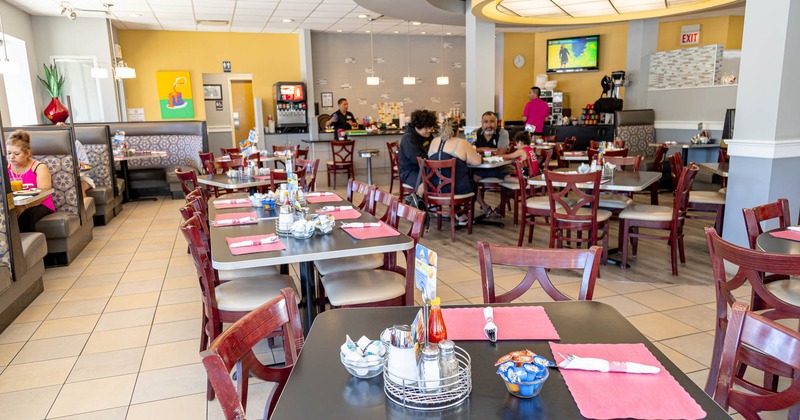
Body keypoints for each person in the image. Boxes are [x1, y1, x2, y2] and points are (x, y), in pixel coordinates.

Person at [426, 119, 482, 225]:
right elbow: (477, 162)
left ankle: (459, 214)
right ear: (457, 131)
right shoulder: (462, 143)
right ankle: (462, 214)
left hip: (432, 188)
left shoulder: (433, 142)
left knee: (449, 182)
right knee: (471, 184)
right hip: (455, 189)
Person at [6, 129, 54, 232]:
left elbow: (44, 194)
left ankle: (23, 247)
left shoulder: (39, 168)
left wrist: (24, 206)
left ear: (27, 153)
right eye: (8, 153)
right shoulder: (5, 168)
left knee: (24, 218)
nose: (11, 157)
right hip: (14, 204)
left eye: (16, 154)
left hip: (40, 204)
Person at [472, 111, 512, 215]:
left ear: (497, 123)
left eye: (492, 122)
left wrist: (480, 150)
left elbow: (501, 152)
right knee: (468, 180)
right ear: (482, 123)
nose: (489, 125)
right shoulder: (475, 133)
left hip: (500, 166)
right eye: (486, 122)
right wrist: (491, 150)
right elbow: (471, 150)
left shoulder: (503, 133)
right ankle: (485, 207)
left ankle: (500, 207)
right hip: (481, 167)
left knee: (517, 180)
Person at [398, 109, 437, 193]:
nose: (429, 130)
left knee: (446, 181)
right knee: (428, 185)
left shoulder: (427, 135)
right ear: (417, 126)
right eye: (426, 128)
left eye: (431, 127)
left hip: (426, 168)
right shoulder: (408, 138)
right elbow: (416, 159)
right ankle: (420, 204)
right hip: (410, 172)